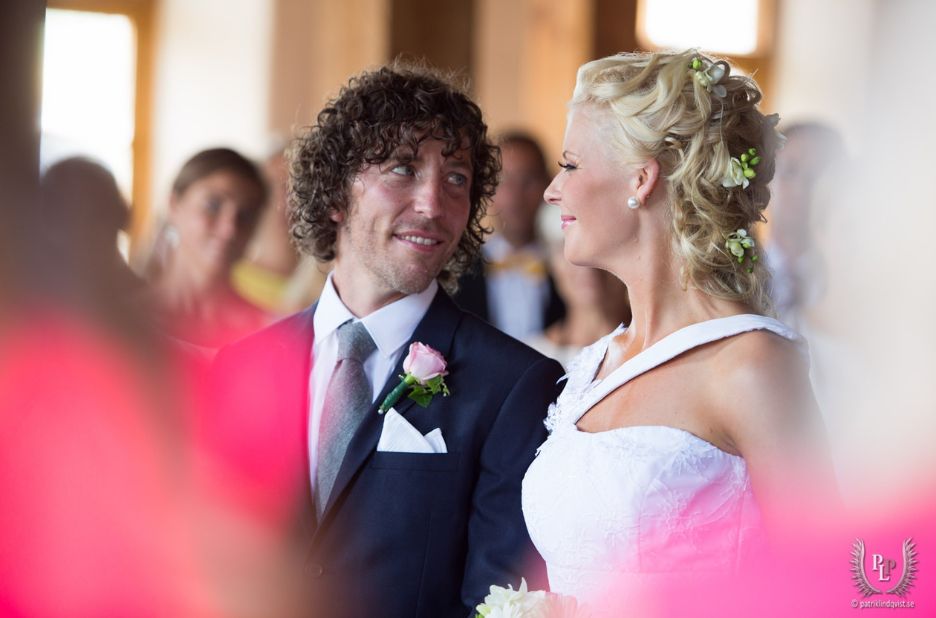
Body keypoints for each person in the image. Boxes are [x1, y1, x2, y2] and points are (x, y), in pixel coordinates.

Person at [208, 63, 565, 617]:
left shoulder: (514, 386)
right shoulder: (242, 367)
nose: (433, 205)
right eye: (403, 169)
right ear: (336, 193)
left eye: (456, 179)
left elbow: (496, 600)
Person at [521, 50, 833, 613]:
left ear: (640, 180)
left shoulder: (748, 363)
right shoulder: (596, 363)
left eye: (570, 165)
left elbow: (825, 581)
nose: (552, 191)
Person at [145, 148, 270, 351]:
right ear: (174, 205)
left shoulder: (269, 332)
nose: (230, 229)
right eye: (213, 205)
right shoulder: (120, 320)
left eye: (246, 215)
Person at [453, 132, 565, 339]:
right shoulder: (458, 270)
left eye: (528, 180)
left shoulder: (569, 268)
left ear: (548, 184)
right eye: (504, 180)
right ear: (487, 188)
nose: (516, 195)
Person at [766, 122, 845, 330]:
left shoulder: (852, 283)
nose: (801, 188)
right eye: (789, 171)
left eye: (817, 175)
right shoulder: (738, 279)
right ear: (766, 181)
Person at [524, 243, 631, 368]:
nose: (587, 265)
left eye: (607, 246)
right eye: (569, 244)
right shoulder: (531, 356)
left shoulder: (647, 353)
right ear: (552, 264)